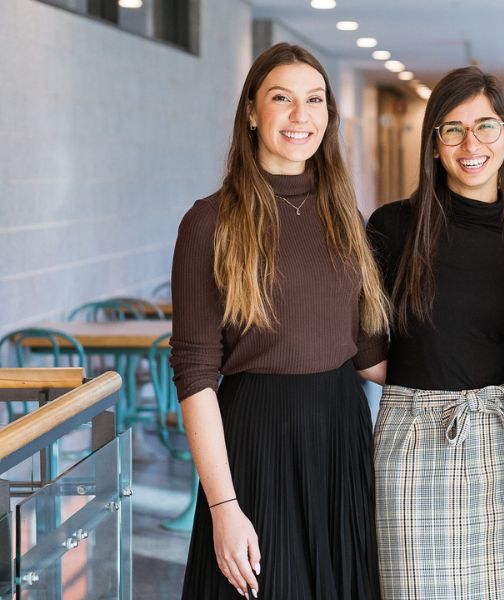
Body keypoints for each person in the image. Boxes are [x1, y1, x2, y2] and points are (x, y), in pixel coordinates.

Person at [170, 43, 389, 599]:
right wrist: (224, 506)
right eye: (282, 98)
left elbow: (371, 355)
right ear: (250, 111)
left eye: (314, 100)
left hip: (341, 437)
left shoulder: (345, 215)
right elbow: (195, 372)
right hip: (255, 442)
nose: (301, 115)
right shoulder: (208, 222)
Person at [365, 66, 504, 599]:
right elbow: (360, 339)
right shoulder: (393, 227)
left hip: (501, 437)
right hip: (411, 440)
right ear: (434, 144)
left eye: (487, 126)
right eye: (452, 129)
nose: (472, 143)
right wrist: (416, 389)